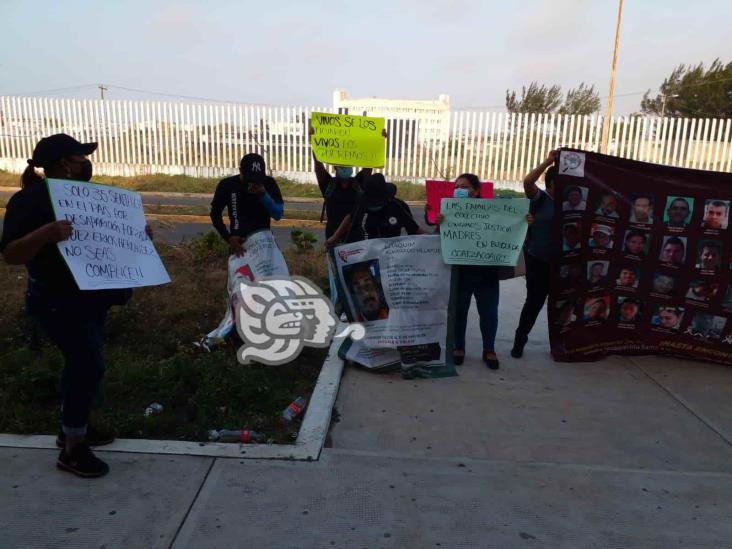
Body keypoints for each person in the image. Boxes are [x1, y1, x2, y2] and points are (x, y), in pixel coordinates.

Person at [0, 134, 153, 478]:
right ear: (65, 163)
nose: (86, 162)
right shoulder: (30, 201)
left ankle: (73, 428)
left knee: (81, 363)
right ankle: (73, 449)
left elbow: (108, 239)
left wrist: (136, 234)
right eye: (80, 156)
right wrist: (45, 234)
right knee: (88, 364)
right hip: (56, 300)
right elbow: (11, 254)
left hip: (89, 298)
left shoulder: (88, 197)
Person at [433, 174, 527, 369]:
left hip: (487, 273)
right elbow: (439, 240)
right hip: (461, 273)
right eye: (457, 186)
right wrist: (439, 224)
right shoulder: (449, 210)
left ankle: (489, 349)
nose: (460, 190)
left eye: (465, 187)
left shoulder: (493, 211)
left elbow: (511, 228)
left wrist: (525, 221)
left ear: (476, 191)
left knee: (489, 312)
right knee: (459, 311)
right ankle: (459, 347)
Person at [511, 150, 556, 358]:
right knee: (535, 302)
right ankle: (520, 339)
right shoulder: (541, 199)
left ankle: (561, 345)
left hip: (563, 263)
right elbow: (528, 182)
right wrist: (548, 161)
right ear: (552, 184)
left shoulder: (574, 202)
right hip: (538, 260)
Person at [313, 153, 371, 305]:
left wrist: (379, 140)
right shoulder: (328, 185)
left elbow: (369, 163)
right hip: (334, 240)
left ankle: (357, 309)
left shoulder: (358, 183)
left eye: (347, 166)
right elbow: (318, 165)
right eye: (341, 167)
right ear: (335, 168)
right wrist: (315, 143)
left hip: (355, 240)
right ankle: (339, 309)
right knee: (336, 278)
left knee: (357, 277)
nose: (345, 169)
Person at [210, 153, 284, 256]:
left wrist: (263, 195)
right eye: (250, 179)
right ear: (240, 171)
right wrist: (228, 237)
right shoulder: (227, 185)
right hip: (239, 245)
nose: (253, 183)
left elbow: (278, 214)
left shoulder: (269, 183)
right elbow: (215, 214)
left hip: (264, 243)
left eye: (257, 179)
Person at [326, 173, 423, 245]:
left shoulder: (398, 206)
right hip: (366, 252)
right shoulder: (361, 204)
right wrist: (335, 237)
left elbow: (414, 230)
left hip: (392, 255)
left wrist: (435, 238)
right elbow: (350, 217)